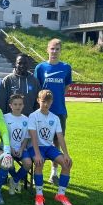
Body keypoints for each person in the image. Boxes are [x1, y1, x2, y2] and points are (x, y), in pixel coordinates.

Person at [34, 38, 73, 185]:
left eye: (57, 49)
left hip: (59, 111)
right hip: (42, 112)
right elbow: (37, 88)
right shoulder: (40, 68)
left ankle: (53, 172)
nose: (54, 51)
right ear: (47, 50)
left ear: (60, 51)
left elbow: (66, 87)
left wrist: (57, 99)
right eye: (52, 48)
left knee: (57, 141)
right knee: (39, 140)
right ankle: (38, 172)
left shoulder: (66, 68)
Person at [27, 90, 73, 205]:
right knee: (39, 162)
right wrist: (37, 154)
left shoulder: (55, 118)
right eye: (43, 101)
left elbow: (60, 137)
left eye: (48, 102)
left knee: (67, 163)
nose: (46, 104)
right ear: (38, 100)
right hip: (35, 147)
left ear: (52, 102)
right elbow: (33, 137)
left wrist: (66, 154)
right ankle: (39, 195)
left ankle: (60, 194)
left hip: (49, 147)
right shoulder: (33, 116)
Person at [4, 94, 32, 195]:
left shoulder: (26, 119)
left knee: (28, 163)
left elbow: (26, 138)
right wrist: (10, 149)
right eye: (15, 104)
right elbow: (3, 136)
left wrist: (21, 149)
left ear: (23, 105)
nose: (18, 106)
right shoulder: (5, 117)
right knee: (9, 163)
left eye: (20, 104)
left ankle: (14, 180)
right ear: (10, 105)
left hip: (21, 148)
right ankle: (15, 179)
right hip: (7, 147)